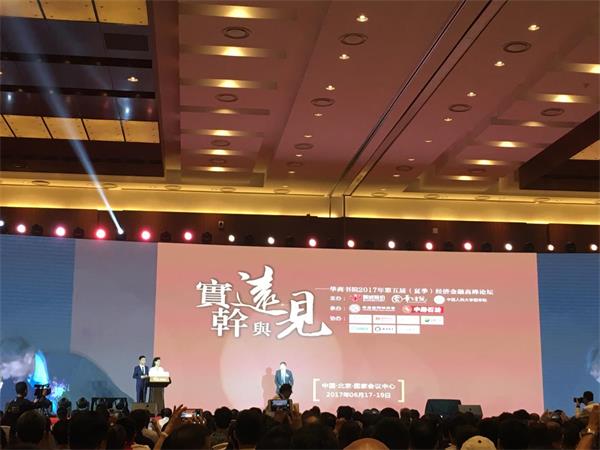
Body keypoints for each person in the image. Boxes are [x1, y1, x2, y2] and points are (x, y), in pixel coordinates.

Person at [0, 336, 129, 411]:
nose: (5, 375)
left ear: (28, 356)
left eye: (6, 366)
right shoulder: (12, 384)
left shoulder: (76, 365)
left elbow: (119, 398)